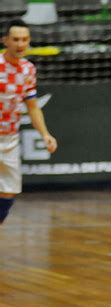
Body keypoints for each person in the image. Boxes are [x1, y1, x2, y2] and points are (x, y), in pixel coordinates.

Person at [0, 19, 57, 224]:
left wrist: (45, 134)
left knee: (9, 191)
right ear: (5, 40)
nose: (20, 44)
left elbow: (32, 106)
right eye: (15, 39)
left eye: (24, 39)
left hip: (10, 139)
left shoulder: (28, 69)